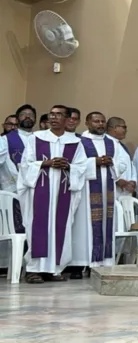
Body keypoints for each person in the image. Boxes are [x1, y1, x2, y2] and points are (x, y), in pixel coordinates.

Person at [17, 105, 87, 284]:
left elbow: (82, 167)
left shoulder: (75, 142)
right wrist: (45, 163)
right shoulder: (37, 138)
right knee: (38, 228)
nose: (54, 118)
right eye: (52, 114)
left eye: (59, 115)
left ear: (67, 119)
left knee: (60, 229)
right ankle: (34, 269)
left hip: (62, 193)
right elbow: (25, 164)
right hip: (40, 190)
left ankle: (54, 268)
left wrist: (69, 166)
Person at [68, 112, 133, 274]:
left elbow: (122, 164)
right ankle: (79, 263)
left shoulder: (112, 143)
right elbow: (73, 165)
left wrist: (112, 163)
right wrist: (94, 162)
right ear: (87, 123)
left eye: (103, 121)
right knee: (83, 226)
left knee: (104, 225)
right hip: (86, 191)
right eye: (96, 121)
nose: (100, 124)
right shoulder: (79, 142)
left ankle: (102, 262)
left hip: (107, 191)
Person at [106, 117, 136, 198]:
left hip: (126, 190)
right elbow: (106, 164)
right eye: (124, 127)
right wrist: (117, 180)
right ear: (115, 128)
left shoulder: (122, 145)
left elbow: (131, 165)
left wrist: (133, 180)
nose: (126, 130)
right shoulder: (106, 143)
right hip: (114, 189)